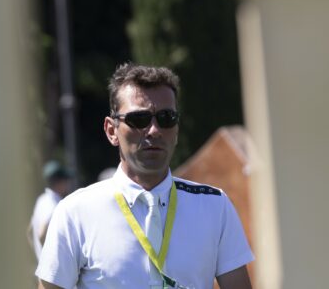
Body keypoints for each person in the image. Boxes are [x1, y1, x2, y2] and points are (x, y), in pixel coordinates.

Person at [36, 63, 254, 289]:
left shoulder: (214, 206)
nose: (154, 130)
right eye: (139, 119)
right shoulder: (75, 211)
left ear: (176, 129)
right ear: (112, 131)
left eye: (166, 117)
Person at [29, 160, 73, 260]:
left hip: (42, 269)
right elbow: (41, 234)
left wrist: (39, 256)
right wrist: (50, 259)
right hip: (52, 272)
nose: (67, 184)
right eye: (65, 180)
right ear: (59, 182)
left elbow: (29, 232)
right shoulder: (55, 204)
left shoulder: (41, 200)